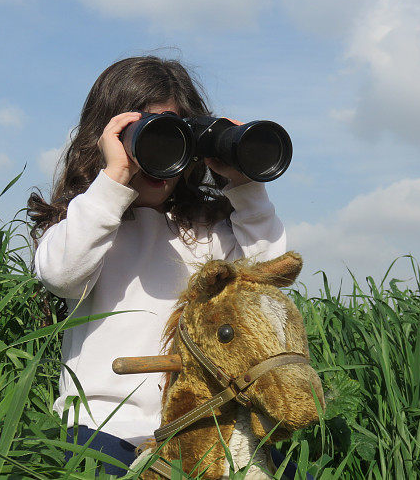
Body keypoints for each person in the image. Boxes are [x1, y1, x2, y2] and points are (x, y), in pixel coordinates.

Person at [26, 56, 287, 477]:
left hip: (203, 428)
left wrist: (245, 186)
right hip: (103, 431)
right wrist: (113, 181)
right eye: (149, 135)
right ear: (108, 138)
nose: (161, 155)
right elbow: (62, 275)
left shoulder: (209, 230)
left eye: (175, 136)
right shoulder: (89, 222)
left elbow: (270, 277)